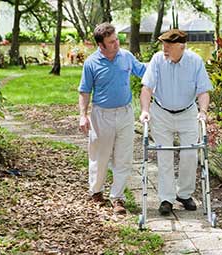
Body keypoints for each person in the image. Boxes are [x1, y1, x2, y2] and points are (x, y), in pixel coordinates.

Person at [139, 29, 212, 216]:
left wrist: (203, 112)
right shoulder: (157, 60)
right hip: (161, 112)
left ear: (181, 46)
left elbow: (203, 91)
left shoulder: (195, 61)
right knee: (165, 156)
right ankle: (166, 198)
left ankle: (184, 194)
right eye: (163, 44)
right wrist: (145, 111)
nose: (164, 48)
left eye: (168, 45)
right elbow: (147, 88)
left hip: (187, 112)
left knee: (189, 154)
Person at [78, 22, 146, 215]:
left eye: (117, 39)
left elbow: (144, 72)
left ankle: (118, 198)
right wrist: (83, 116)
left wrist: (163, 64)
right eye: (111, 42)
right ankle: (96, 191)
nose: (116, 43)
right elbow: (84, 91)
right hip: (102, 115)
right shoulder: (91, 63)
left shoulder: (126, 57)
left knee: (123, 158)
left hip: (125, 113)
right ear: (101, 45)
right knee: (100, 157)